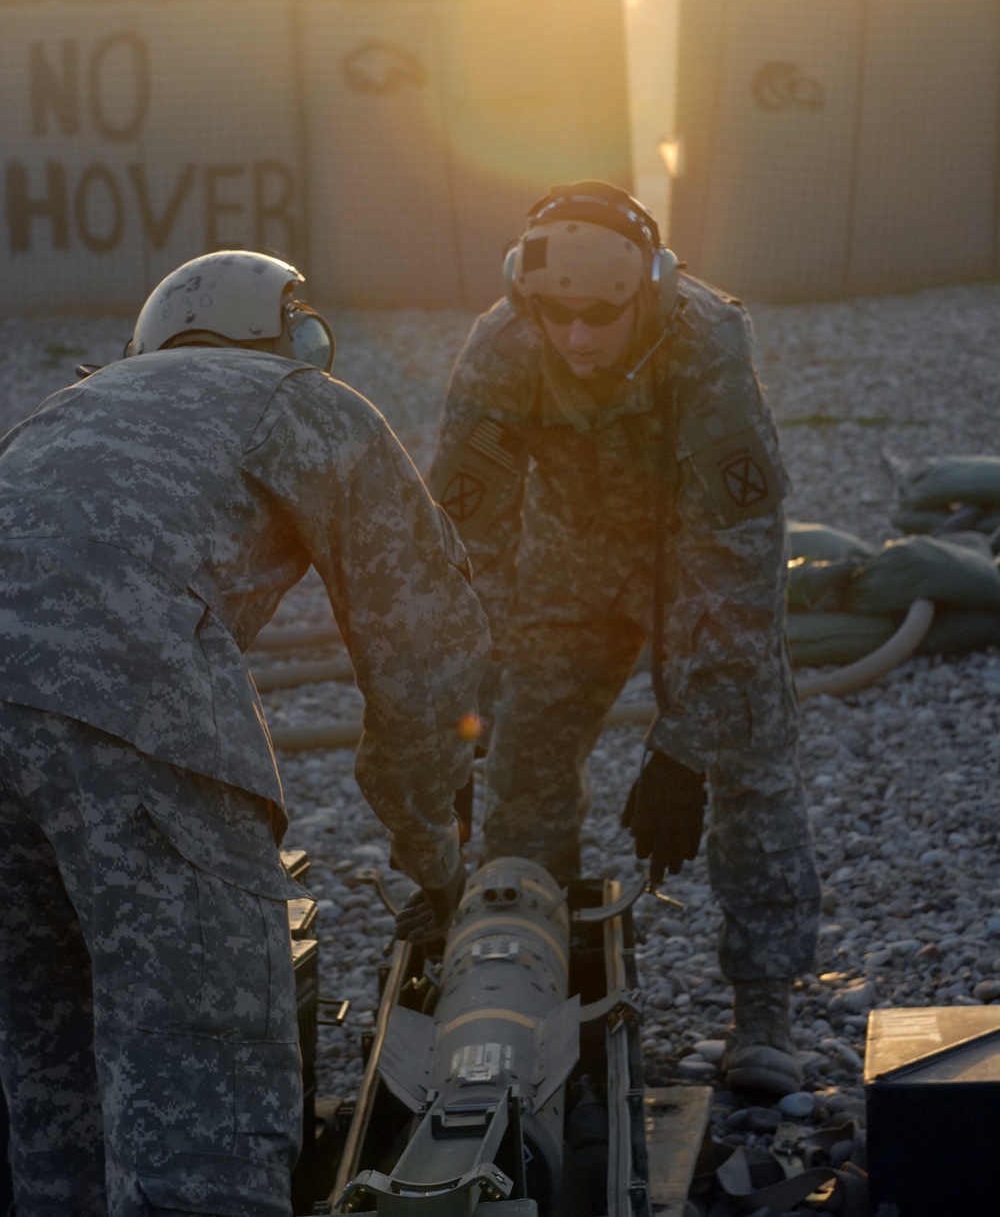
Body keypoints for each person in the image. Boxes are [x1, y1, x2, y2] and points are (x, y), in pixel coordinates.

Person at [0, 250, 488, 1217]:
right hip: (134, 720)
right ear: (294, 341)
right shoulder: (308, 403)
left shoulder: (60, 412)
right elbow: (423, 652)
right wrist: (430, 848)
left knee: (51, 1083)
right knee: (200, 1094)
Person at [427, 181, 821, 1098]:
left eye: (599, 315)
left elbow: (741, 564)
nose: (577, 338)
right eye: (556, 316)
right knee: (523, 761)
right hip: (571, 561)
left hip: (694, 559)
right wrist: (450, 714)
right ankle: (528, 968)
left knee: (750, 761)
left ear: (647, 289)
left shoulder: (705, 344)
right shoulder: (502, 345)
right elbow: (462, 547)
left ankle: (764, 1002)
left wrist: (684, 745)